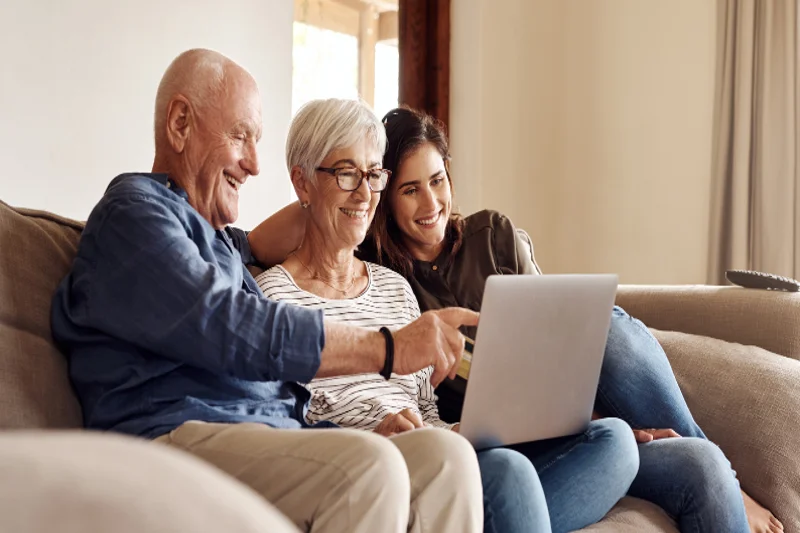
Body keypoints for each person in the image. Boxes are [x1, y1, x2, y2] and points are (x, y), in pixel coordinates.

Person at [249, 105, 783, 533]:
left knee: (622, 427)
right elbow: (283, 419)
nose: (365, 192)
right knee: (508, 470)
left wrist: (577, 418)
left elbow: (448, 400)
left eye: (372, 175)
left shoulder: (405, 280)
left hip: (482, 439)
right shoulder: (306, 288)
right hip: (426, 460)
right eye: (403, 187)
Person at [50, 50, 486, 533]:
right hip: (170, 436)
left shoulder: (217, 240)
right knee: (367, 468)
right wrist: (389, 347)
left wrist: (335, 201)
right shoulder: (135, 216)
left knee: (446, 458)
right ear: (180, 123)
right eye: (240, 136)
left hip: (266, 433)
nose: (255, 164)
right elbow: (229, 325)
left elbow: (260, 239)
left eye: (257, 141)